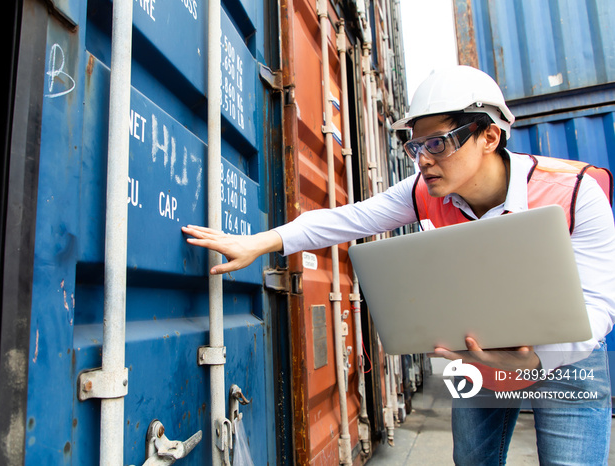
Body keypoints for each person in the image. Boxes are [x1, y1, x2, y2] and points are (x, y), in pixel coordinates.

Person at [182, 65, 615, 465]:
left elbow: (599, 307)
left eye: (439, 143)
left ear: (489, 136)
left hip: (567, 364)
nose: (424, 159)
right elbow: (345, 219)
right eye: (416, 146)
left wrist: (536, 360)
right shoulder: (424, 190)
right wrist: (260, 242)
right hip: (479, 358)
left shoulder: (577, 193)